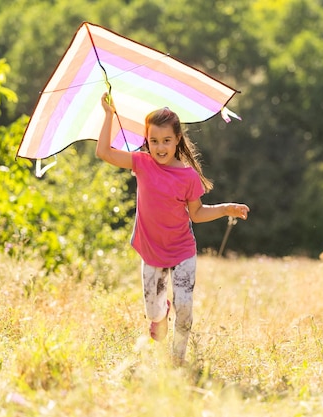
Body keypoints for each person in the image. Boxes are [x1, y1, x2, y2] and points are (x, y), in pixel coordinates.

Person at [96, 92, 250, 364]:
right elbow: (104, 152)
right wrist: (109, 115)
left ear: (177, 139)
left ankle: (178, 359)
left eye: (166, 140)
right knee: (154, 314)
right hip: (151, 250)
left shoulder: (188, 176)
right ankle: (160, 314)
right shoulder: (141, 163)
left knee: (185, 306)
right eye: (154, 141)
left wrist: (226, 208)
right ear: (147, 141)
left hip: (182, 251)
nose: (160, 147)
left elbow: (197, 213)